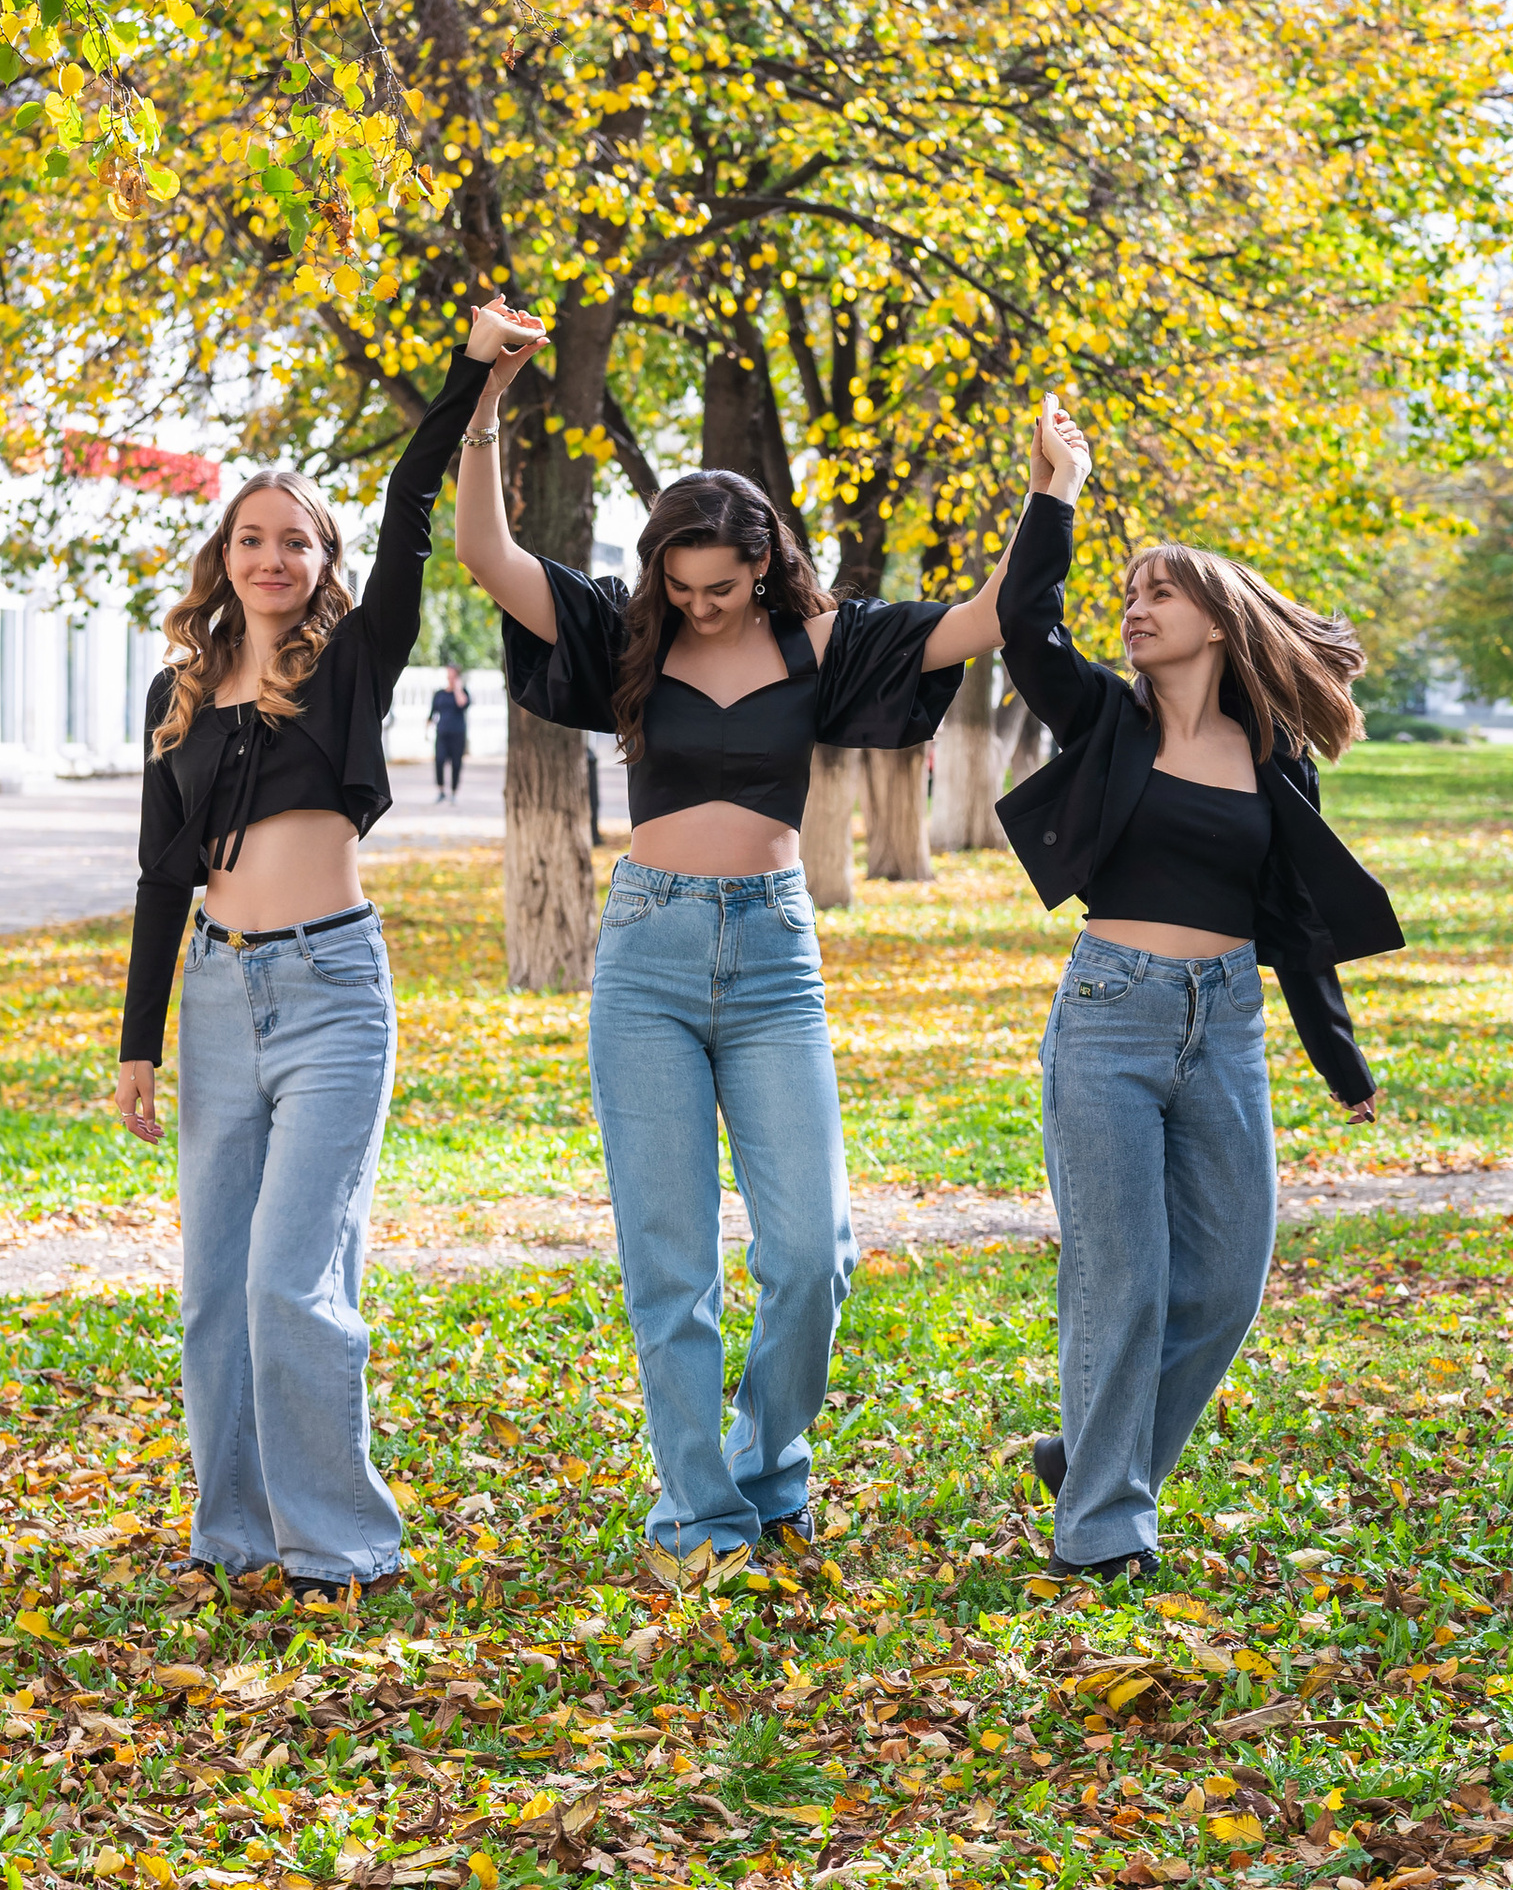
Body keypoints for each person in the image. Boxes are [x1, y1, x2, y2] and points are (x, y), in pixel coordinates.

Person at [455, 356, 1008, 1567]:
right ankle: (699, 1516)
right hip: (646, 949)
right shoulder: (623, 634)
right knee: (671, 1265)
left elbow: (983, 618)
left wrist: (1047, 494)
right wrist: (486, 401)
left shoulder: (826, 644)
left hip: (770, 951)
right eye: (681, 582)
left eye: (721, 583)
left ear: (763, 564)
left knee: (811, 1253)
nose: (700, 605)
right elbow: (489, 557)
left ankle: (768, 1474)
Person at [116, 304, 537, 1601]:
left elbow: (413, 505)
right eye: (251, 536)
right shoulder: (176, 692)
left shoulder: (357, 658)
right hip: (221, 996)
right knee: (211, 1293)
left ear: (323, 559)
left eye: (295, 538)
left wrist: (471, 379)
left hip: (335, 994)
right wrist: (140, 1043)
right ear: (222, 554)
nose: (271, 555)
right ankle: (232, 1531)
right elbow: (157, 875)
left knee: (292, 1278)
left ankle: (340, 1545)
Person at [995, 401, 1400, 1582]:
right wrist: (1053, 492)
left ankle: (1092, 1458)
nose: (1136, 607)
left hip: (1222, 1023)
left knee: (1223, 1285)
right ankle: (1101, 1531)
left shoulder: (1274, 755)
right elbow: (1024, 627)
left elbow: (1298, 922)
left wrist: (1341, 1060)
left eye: (1158, 592)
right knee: (1117, 1285)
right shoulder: (1105, 721)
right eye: (1128, 592)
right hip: (1109, 1018)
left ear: (1216, 621)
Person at [428, 664, 471, 800]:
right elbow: (432, 713)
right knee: (439, 760)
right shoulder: (439, 694)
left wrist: (458, 688)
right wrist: (426, 730)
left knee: (456, 763)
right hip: (442, 732)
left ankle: (454, 792)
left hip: (458, 733)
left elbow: (462, 704)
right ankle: (441, 790)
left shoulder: (463, 692)